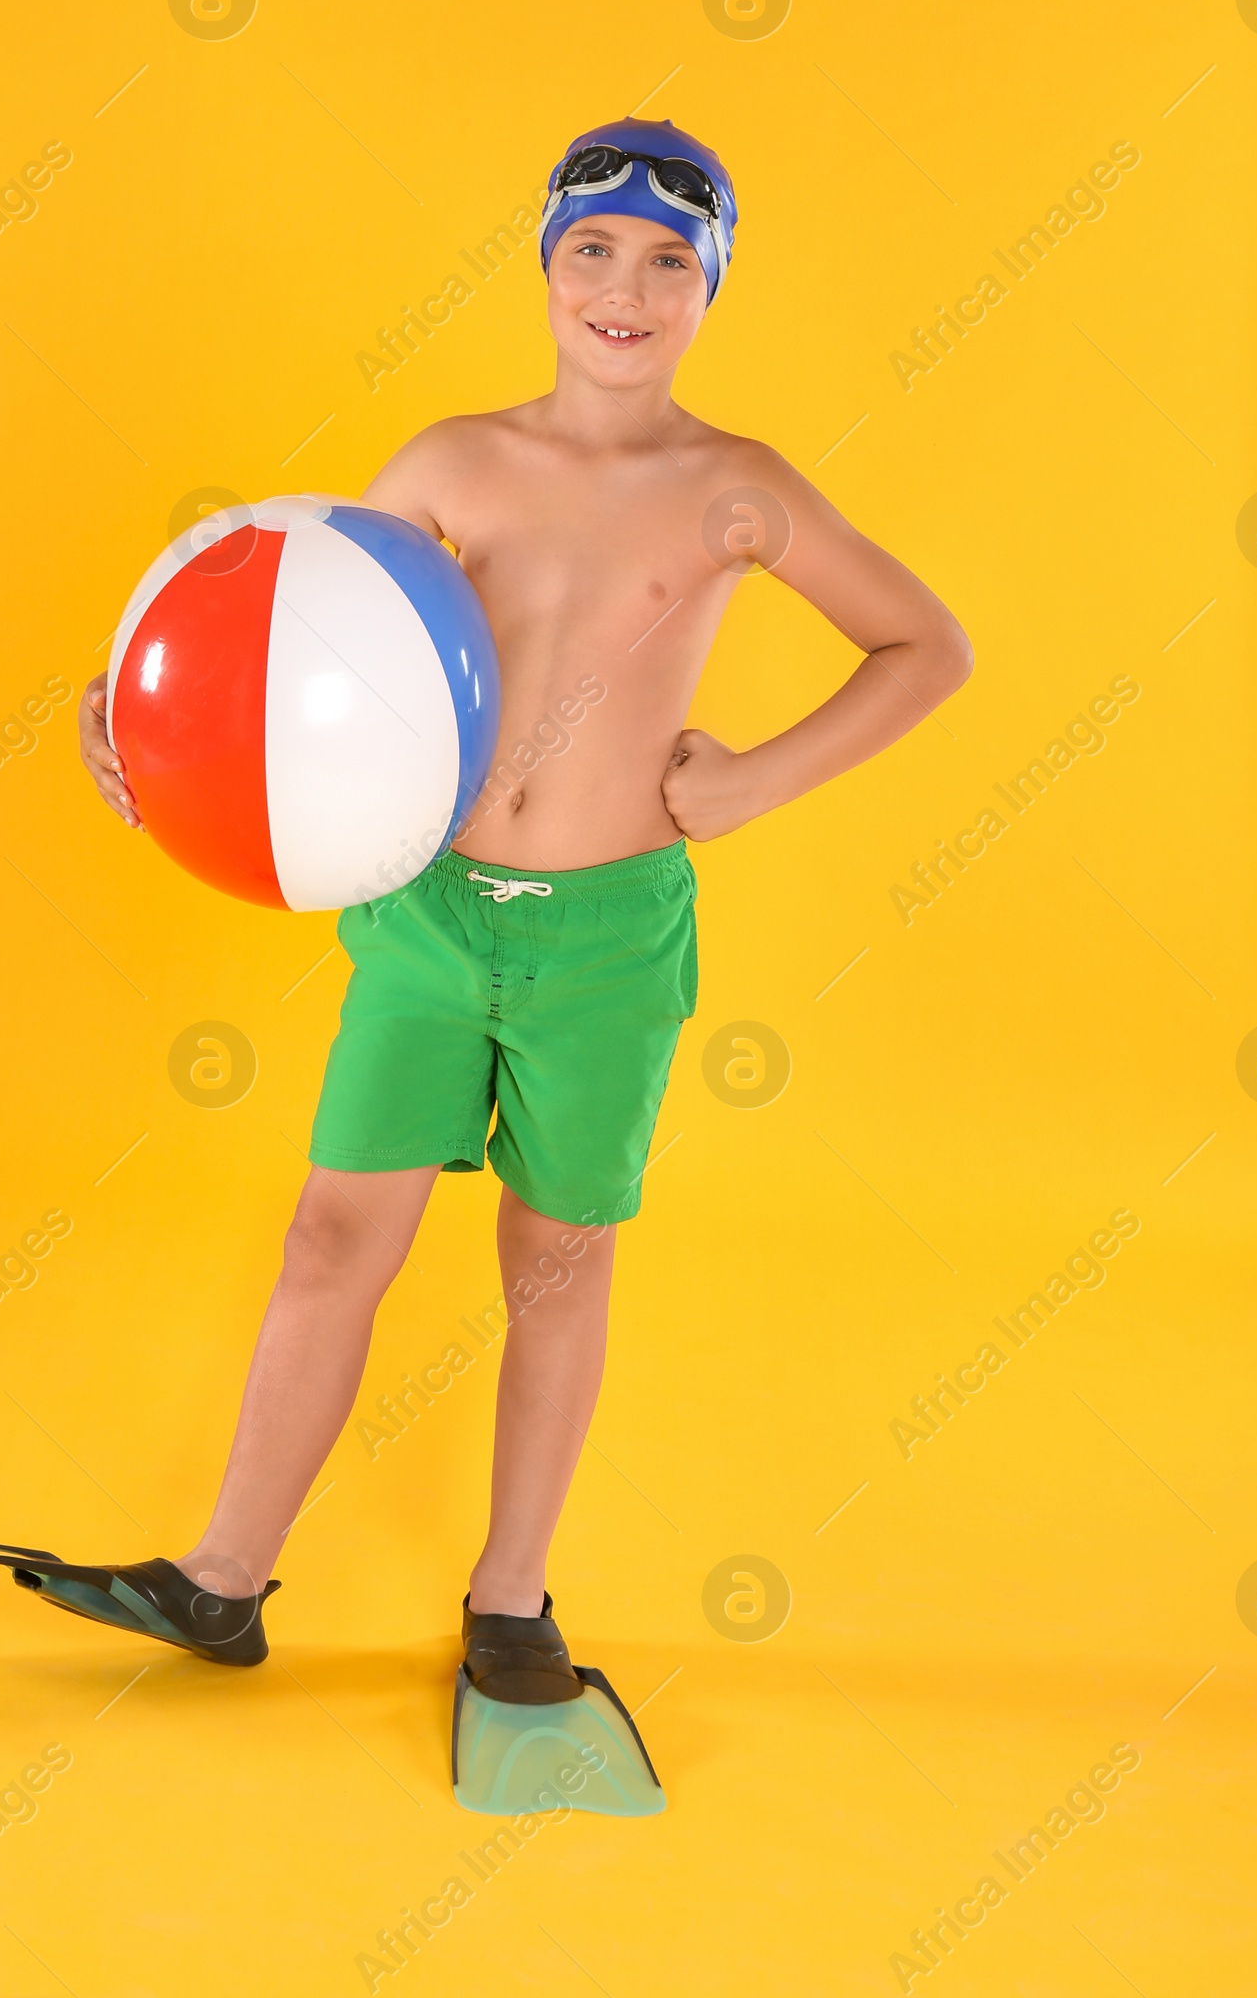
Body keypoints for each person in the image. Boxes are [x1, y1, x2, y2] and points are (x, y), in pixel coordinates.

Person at [74, 118, 971, 1780]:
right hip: (426, 921)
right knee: (333, 1241)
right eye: (592, 251)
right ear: (543, 265)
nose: (623, 289)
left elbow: (931, 643)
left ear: (708, 290)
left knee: (554, 1271)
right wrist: (147, 714)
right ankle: (219, 1579)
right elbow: (297, 636)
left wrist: (757, 778)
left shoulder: (736, 490)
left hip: (607, 942)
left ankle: (509, 1597)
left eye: (666, 263)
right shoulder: (450, 464)